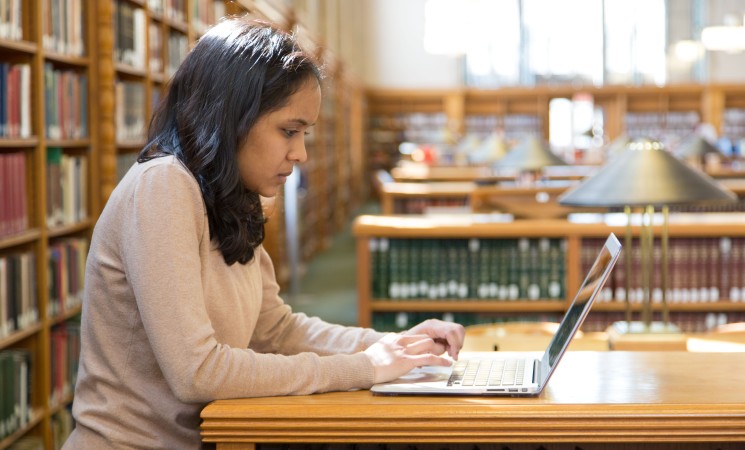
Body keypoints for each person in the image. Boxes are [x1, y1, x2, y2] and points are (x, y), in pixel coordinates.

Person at [63, 16, 465, 450]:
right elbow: (197, 372)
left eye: (305, 134)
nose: (301, 153)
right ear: (231, 115)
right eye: (289, 131)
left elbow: (276, 332)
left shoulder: (234, 197)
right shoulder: (163, 187)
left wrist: (395, 346)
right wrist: (364, 367)